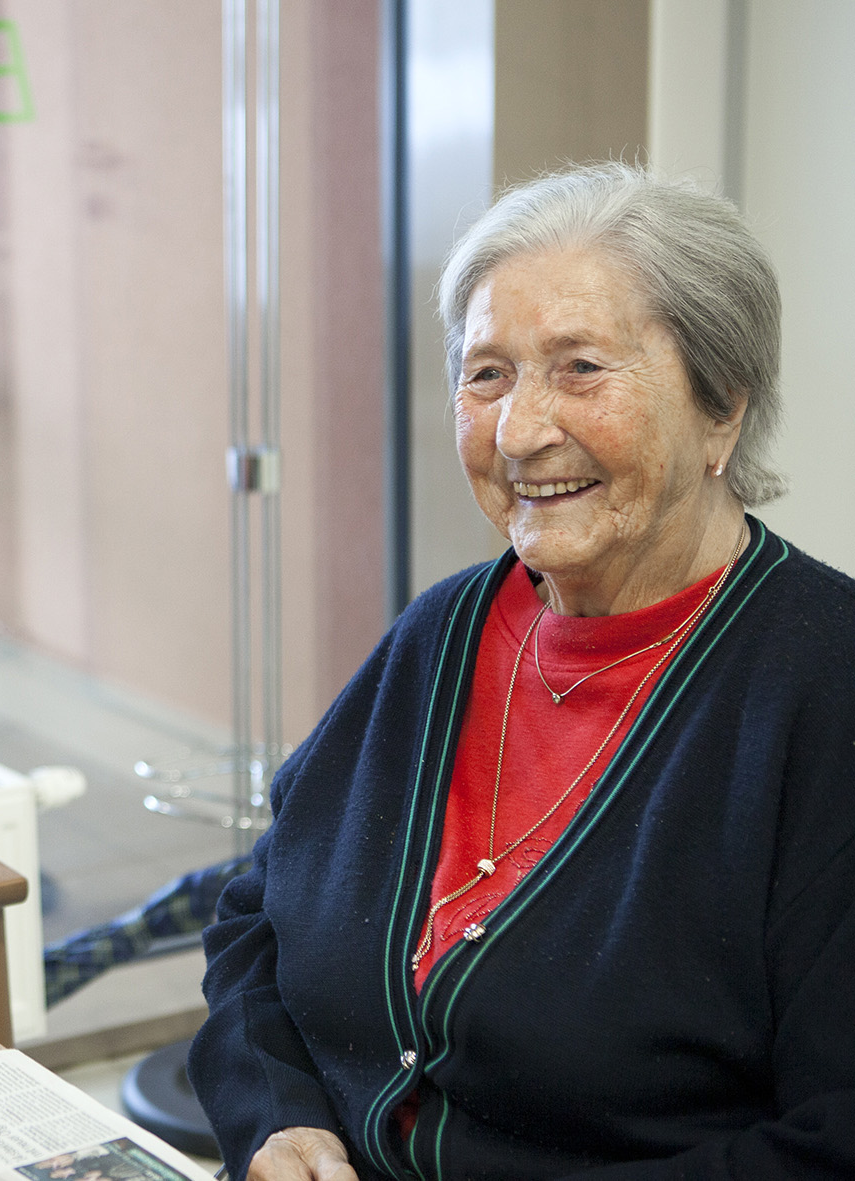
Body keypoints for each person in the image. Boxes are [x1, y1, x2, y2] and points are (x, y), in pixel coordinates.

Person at [188, 163, 855, 1179]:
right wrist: (276, 1117)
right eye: (485, 372)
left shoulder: (823, 686)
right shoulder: (442, 629)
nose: (517, 430)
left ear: (721, 410)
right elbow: (256, 915)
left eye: (580, 366)